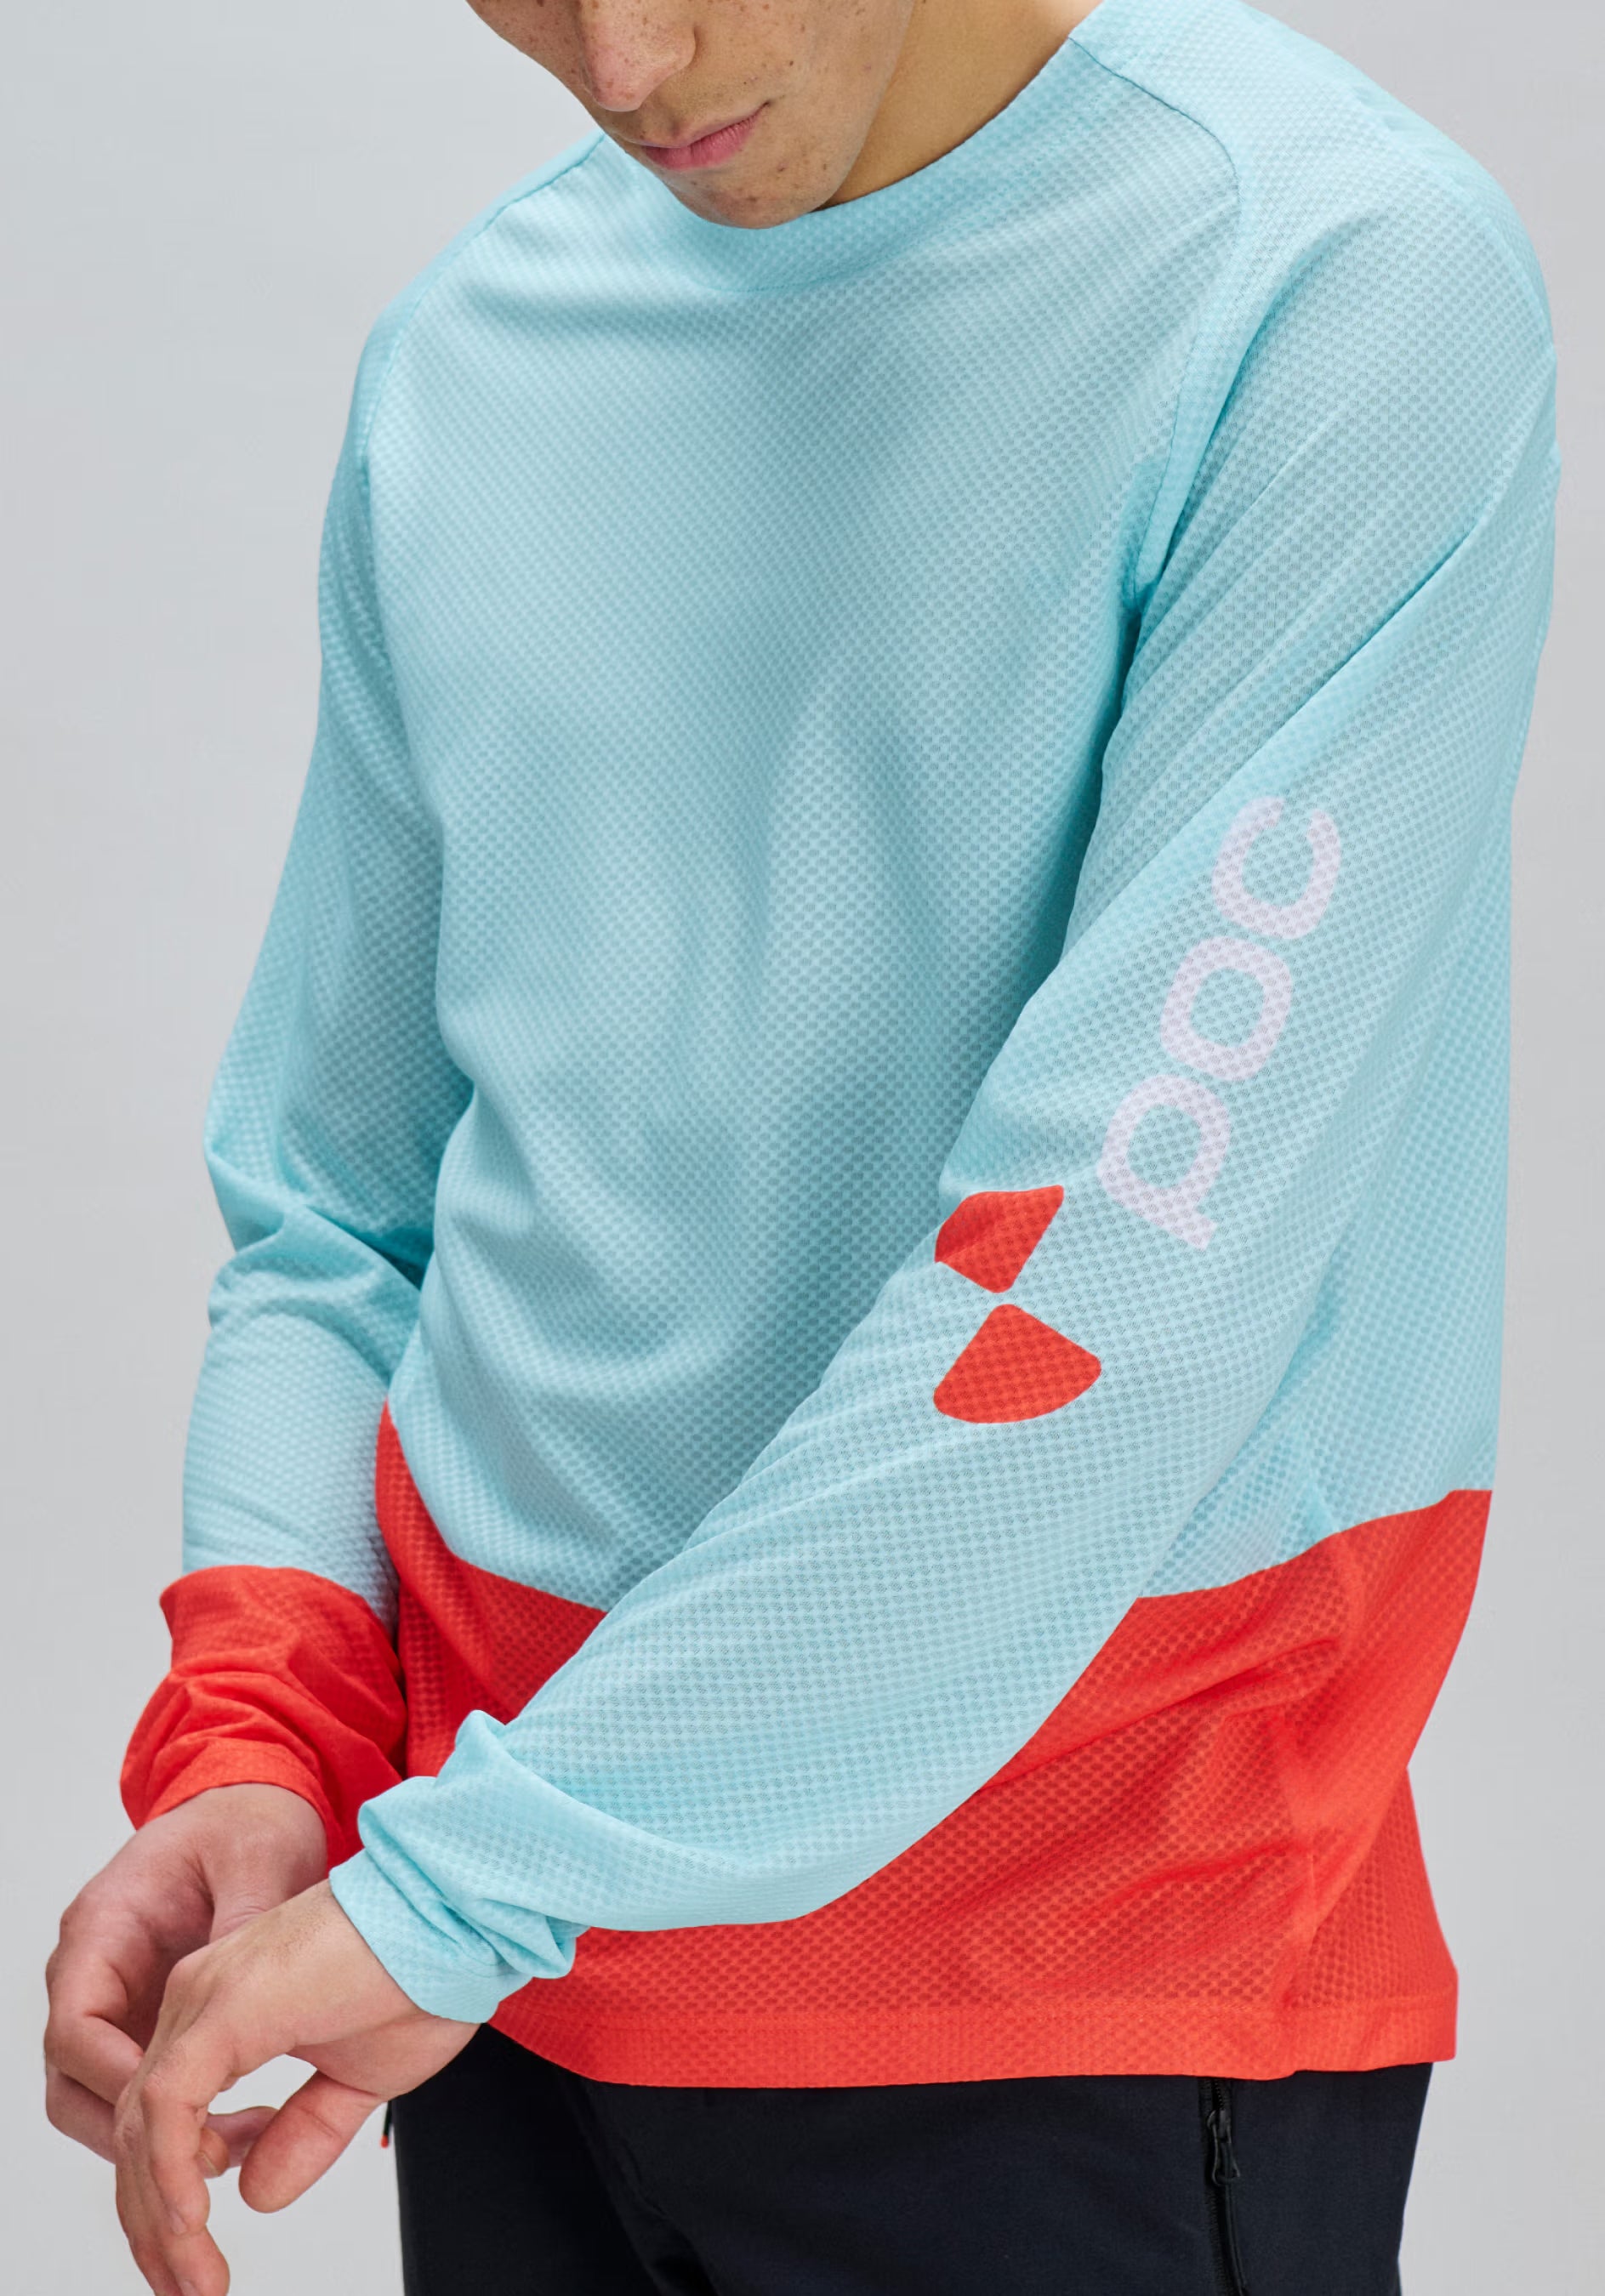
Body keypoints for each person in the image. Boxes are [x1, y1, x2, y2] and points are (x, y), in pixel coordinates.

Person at [43, 0, 1557, 2288]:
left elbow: (1106, 1288)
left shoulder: (1326, 282)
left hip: (1067, 1989)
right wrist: (262, 1745)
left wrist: (468, 1886)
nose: (623, 59)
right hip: (489, 1990)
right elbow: (343, 1208)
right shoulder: (470, 356)